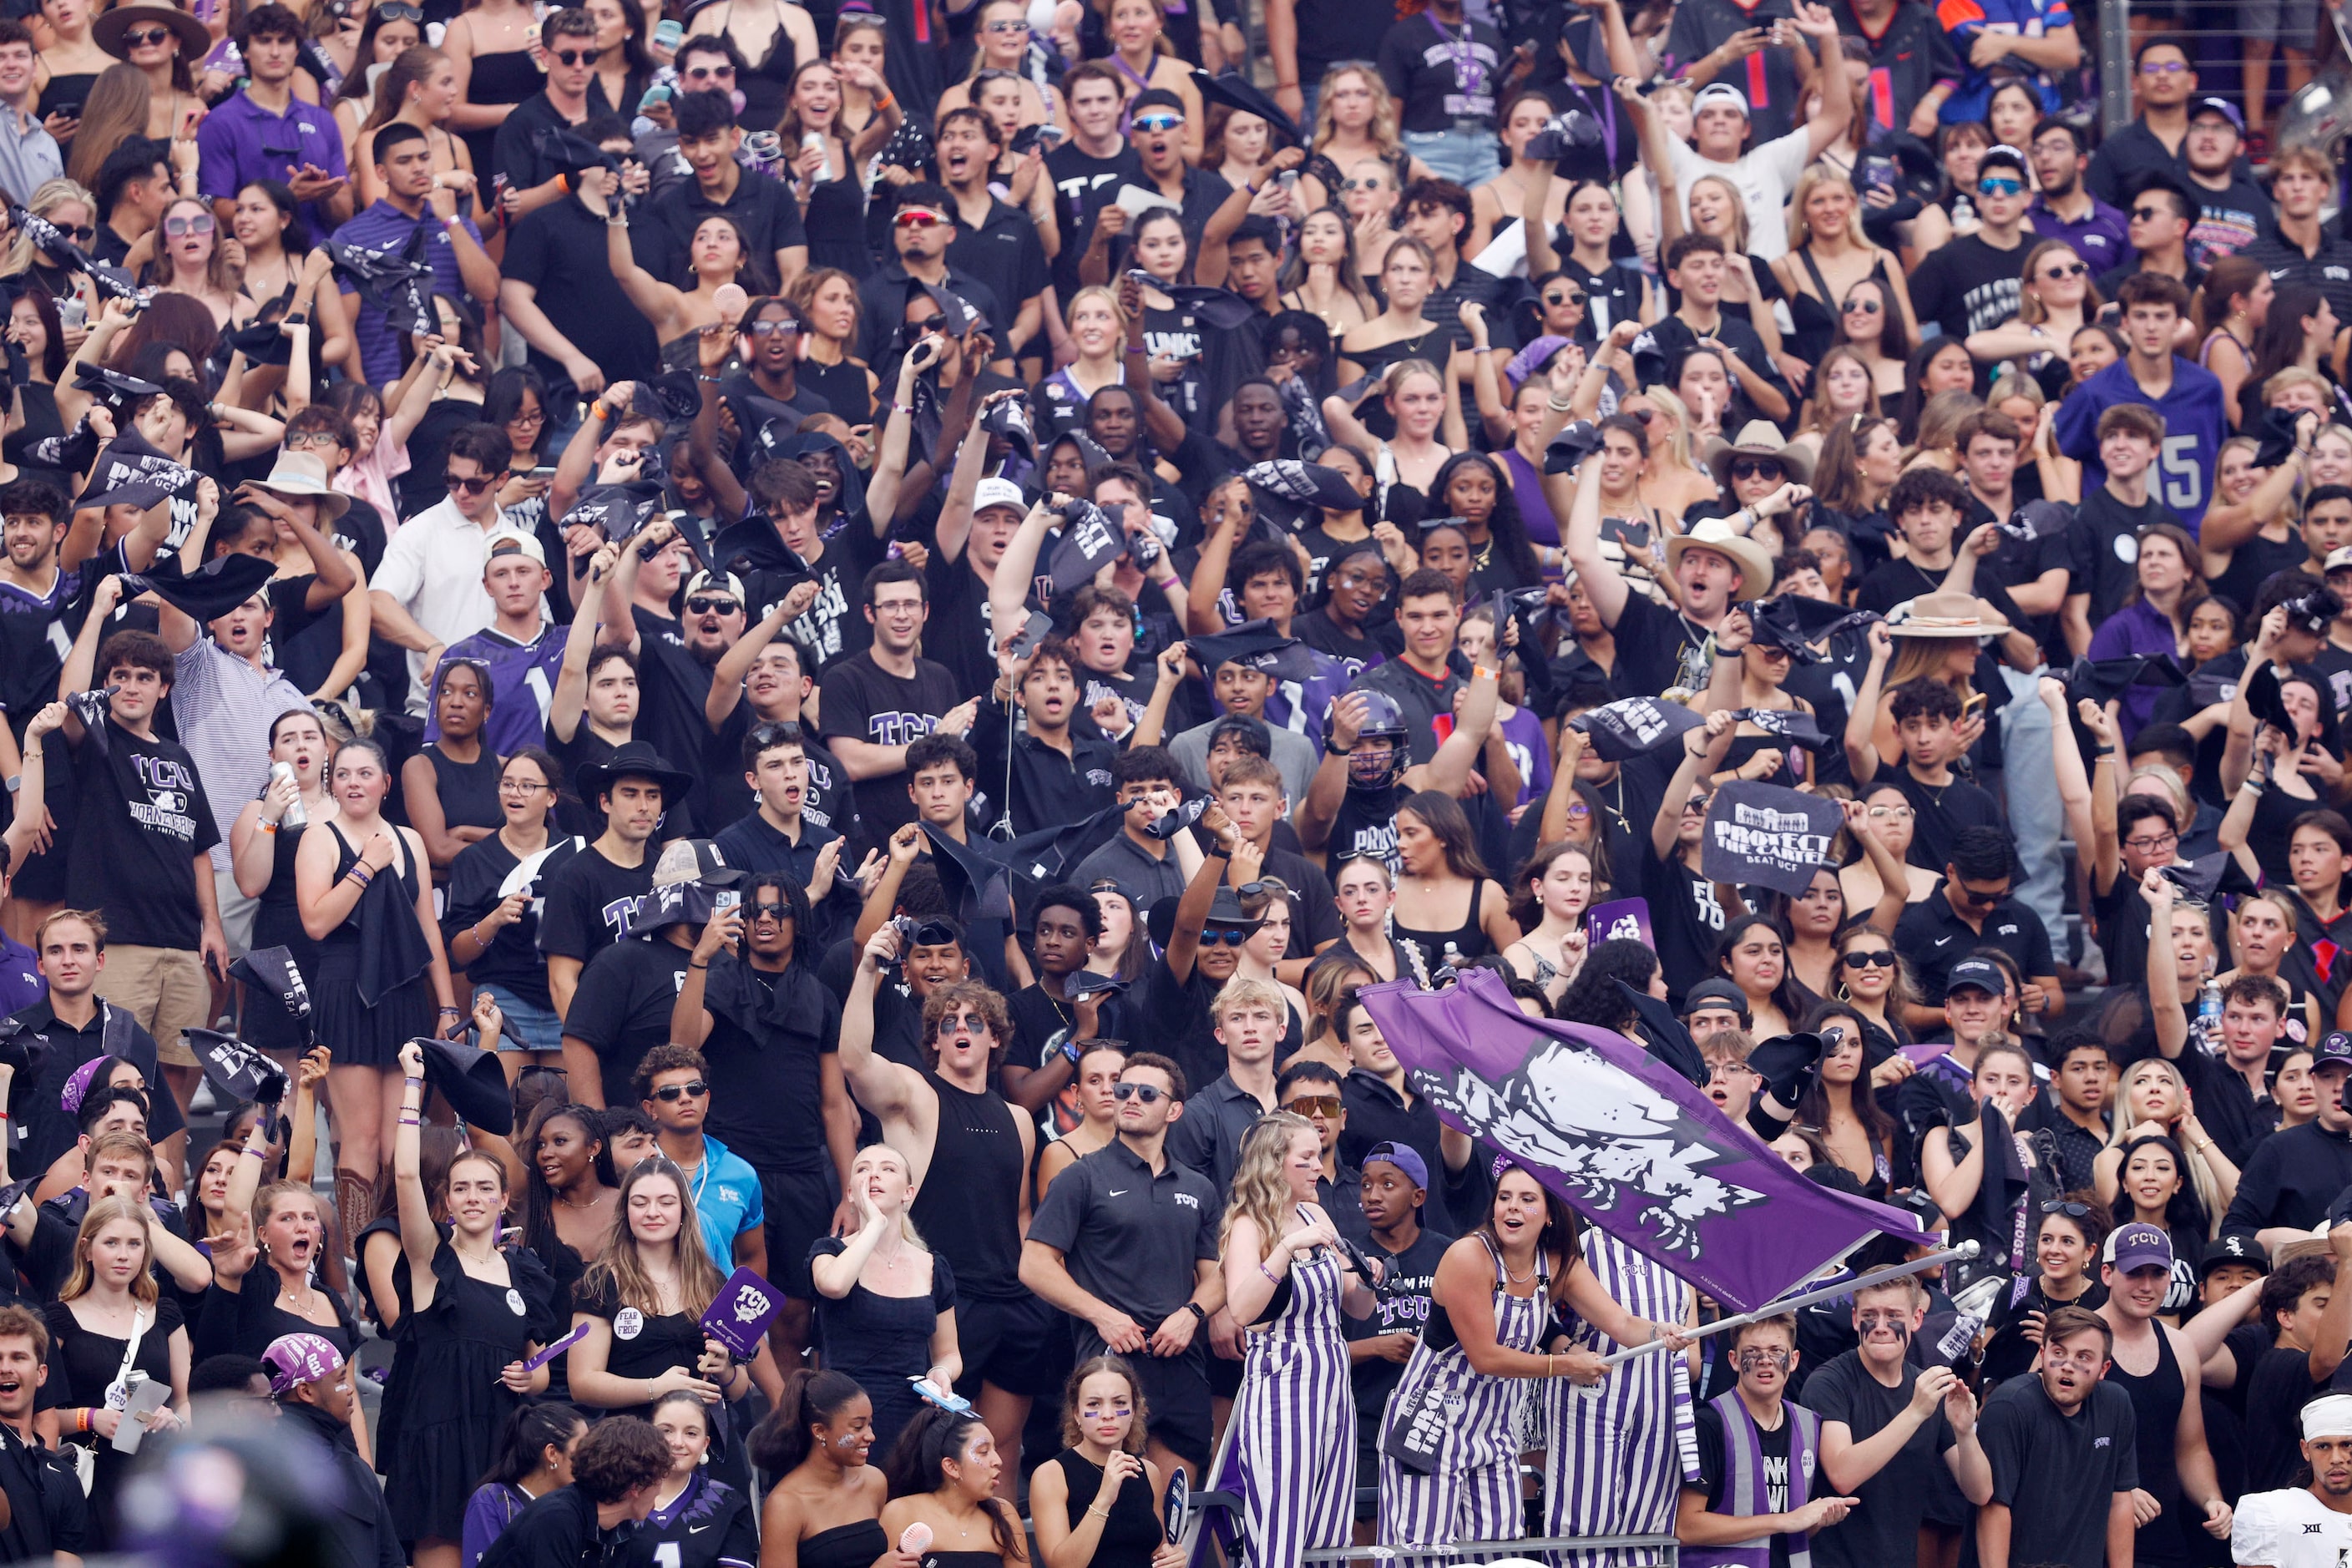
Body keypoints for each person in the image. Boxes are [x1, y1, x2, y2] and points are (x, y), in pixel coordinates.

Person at [839, 924, 1050, 1490]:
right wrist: (868, 972)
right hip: (946, 1301)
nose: (961, 1030)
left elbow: (1020, 1214)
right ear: (932, 1038)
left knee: (999, 1450)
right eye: (948, 1024)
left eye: (973, 1023)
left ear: (994, 1039)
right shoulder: (914, 1095)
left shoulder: (1022, 1121)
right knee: (929, 1452)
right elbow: (855, 1060)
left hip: (1011, 1299)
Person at [1377, 1162, 1677, 1546]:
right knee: (1422, 1552)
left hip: (1495, 1432)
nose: (1512, 1208)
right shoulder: (1468, 1256)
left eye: (1527, 1199)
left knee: (1500, 1551)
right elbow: (1486, 1357)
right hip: (1431, 1425)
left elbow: (1620, 1323)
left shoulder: (1557, 1264)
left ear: (1550, 1214)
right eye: (1505, 1198)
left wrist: (1660, 1331)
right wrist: (1568, 1364)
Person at [380, 1047, 557, 1568]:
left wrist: (531, 1377)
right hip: (437, 1437)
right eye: (461, 1188)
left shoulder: (524, 1271)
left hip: (503, 1440)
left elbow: (538, 1364)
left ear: (505, 1200)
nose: (473, 1197)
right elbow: (406, 1176)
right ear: (448, 1200)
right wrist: (414, 1085)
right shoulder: (429, 1260)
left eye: (485, 1188)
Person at [295, 737, 457, 1232]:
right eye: (343, 774)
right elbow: (317, 922)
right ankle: (361, 1270)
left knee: (399, 1140)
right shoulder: (319, 837)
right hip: (345, 990)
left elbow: (428, 927)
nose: (353, 783)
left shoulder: (409, 840)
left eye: (365, 774)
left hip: (403, 993)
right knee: (361, 1138)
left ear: (385, 784)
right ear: (332, 785)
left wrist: (448, 1008)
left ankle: (399, 1255)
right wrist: (366, 865)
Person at [1222, 1112, 1378, 1568]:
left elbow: (1358, 1308)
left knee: (1332, 1520)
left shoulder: (1315, 1211)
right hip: (1282, 1379)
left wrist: (1367, 1277)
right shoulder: (1250, 1224)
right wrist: (1286, 1249)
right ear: (1275, 1163)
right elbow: (1243, 1311)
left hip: (1331, 1376)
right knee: (1280, 1521)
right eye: (1306, 1157)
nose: (1318, 1166)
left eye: (1320, 1155)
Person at [1808, 1275, 1995, 1568]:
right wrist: (1915, 1412)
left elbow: (1980, 1491)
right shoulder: (1830, 1381)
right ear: (1855, 1319)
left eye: (1893, 1316)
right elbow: (1842, 1475)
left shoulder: (1925, 1386)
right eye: (1870, 1315)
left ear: (1916, 1319)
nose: (1881, 1327)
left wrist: (1965, 1432)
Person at [45, 1196, 190, 1545]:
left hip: (156, 1476)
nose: (123, 1255)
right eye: (111, 1242)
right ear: (87, 1249)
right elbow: (40, 1416)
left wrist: (177, 1422)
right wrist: (90, 1418)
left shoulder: (166, 1315)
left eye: (134, 1244)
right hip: (90, 1476)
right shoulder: (58, 1320)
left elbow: (186, 1401)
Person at [807, 1142, 959, 1457]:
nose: (874, 1175)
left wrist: (941, 1373)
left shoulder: (933, 1266)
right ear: (851, 1193)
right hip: (846, 1415)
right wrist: (875, 1223)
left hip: (912, 1416)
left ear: (908, 1193)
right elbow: (834, 1285)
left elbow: (949, 1353)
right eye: (863, 1170)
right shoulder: (829, 1251)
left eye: (888, 1169)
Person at [1975, 1306, 2140, 1568]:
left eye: (2084, 1357)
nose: (2068, 1366)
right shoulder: (2010, 1406)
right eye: (2059, 1353)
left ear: (2104, 1368)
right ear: (2042, 1355)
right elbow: (1993, 1507)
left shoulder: (2116, 1404)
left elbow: (2120, 1499)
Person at [1029, 1355, 1184, 1568]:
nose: (1108, 1414)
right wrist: (1104, 1498)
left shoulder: (1148, 1472)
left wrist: (1174, 1560)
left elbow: (1158, 1553)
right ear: (1076, 1413)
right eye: (1094, 1404)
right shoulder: (1052, 1475)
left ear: (1134, 1410)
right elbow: (1062, 1566)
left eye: (1119, 1403)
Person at [261, 1332, 400, 1568]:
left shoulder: (356, 1468)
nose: (349, 1391)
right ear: (306, 1391)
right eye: (340, 1381)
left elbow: (390, 1559)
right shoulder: (268, 1468)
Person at [747, 1368, 905, 1568]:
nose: (870, 1436)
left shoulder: (874, 1481)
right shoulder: (786, 1504)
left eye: (870, 1425)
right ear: (820, 1431)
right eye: (858, 1427)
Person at [477, 1416, 673, 1568]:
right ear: (636, 1486)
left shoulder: (621, 1528)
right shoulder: (557, 1519)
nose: (659, 1491)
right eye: (658, 1480)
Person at [880, 1406, 1031, 1568]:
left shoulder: (1004, 1514)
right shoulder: (902, 1512)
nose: (998, 1461)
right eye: (984, 1451)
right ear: (951, 1466)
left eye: (994, 1450)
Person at [628, 1391, 761, 1568]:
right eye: (666, 1430)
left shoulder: (726, 1502)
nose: (677, 1442)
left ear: (705, 1444)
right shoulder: (618, 1496)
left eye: (691, 1433)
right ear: (648, 1434)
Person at [2231, 1393, 2352, 1567]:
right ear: (2306, 1450)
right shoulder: (2273, 1514)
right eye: (2323, 1446)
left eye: (2347, 1444)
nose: (2336, 1458)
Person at [461, 1403, 589, 1568]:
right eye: (584, 1448)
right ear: (552, 1454)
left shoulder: (583, 1504)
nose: (591, 1457)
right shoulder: (491, 1501)